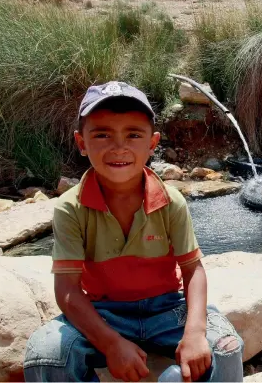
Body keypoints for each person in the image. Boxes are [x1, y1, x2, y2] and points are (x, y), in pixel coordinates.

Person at [23, 81, 244, 382]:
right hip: (104, 312)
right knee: (46, 354)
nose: (119, 147)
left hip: (167, 310)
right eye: (102, 134)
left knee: (227, 348)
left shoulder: (170, 201)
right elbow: (68, 290)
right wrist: (110, 343)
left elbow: (193, 270)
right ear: (81, 142)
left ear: (152, 144)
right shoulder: (70, 208)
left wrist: (194, 332)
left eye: (133, 134)